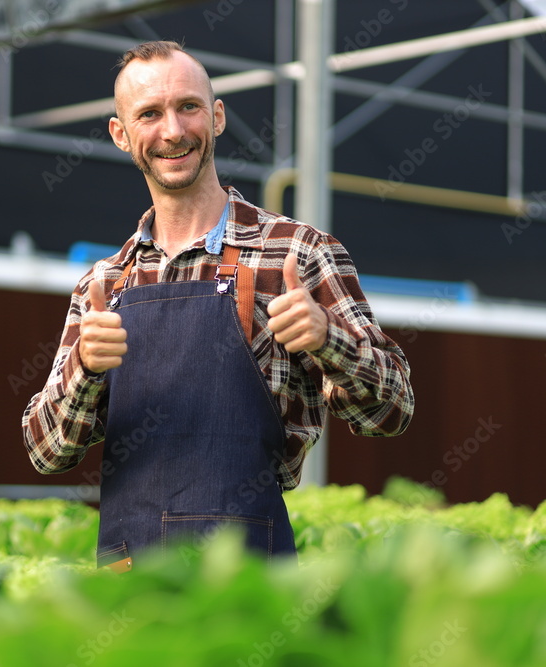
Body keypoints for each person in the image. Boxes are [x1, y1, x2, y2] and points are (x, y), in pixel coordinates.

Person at [22, 40, 413, 570]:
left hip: (248, 575)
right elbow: (46, 453)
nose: (173, 131)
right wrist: (85, 369)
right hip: (128, 578)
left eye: (188, 107)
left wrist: (329, 339)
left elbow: (393, 410)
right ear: (121, 135)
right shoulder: (104, 283)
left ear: (218, 116)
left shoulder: (297, 253)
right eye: (149, 114)